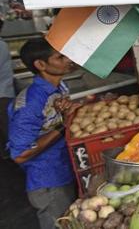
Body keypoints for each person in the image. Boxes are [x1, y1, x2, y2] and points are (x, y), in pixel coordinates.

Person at [8, 38, 80, 229]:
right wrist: (62, 127)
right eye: (60, 57)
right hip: (48, 181)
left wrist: (68, 112)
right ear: (41, 65)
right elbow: (20, 154)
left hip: (64, 168)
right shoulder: (30, 103)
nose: (68, 60)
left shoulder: (59, 87)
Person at [0, 17, 16, 158]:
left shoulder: (1, 45)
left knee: (6, 126)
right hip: (3, 92)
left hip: (3, 94)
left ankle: (13, 157)